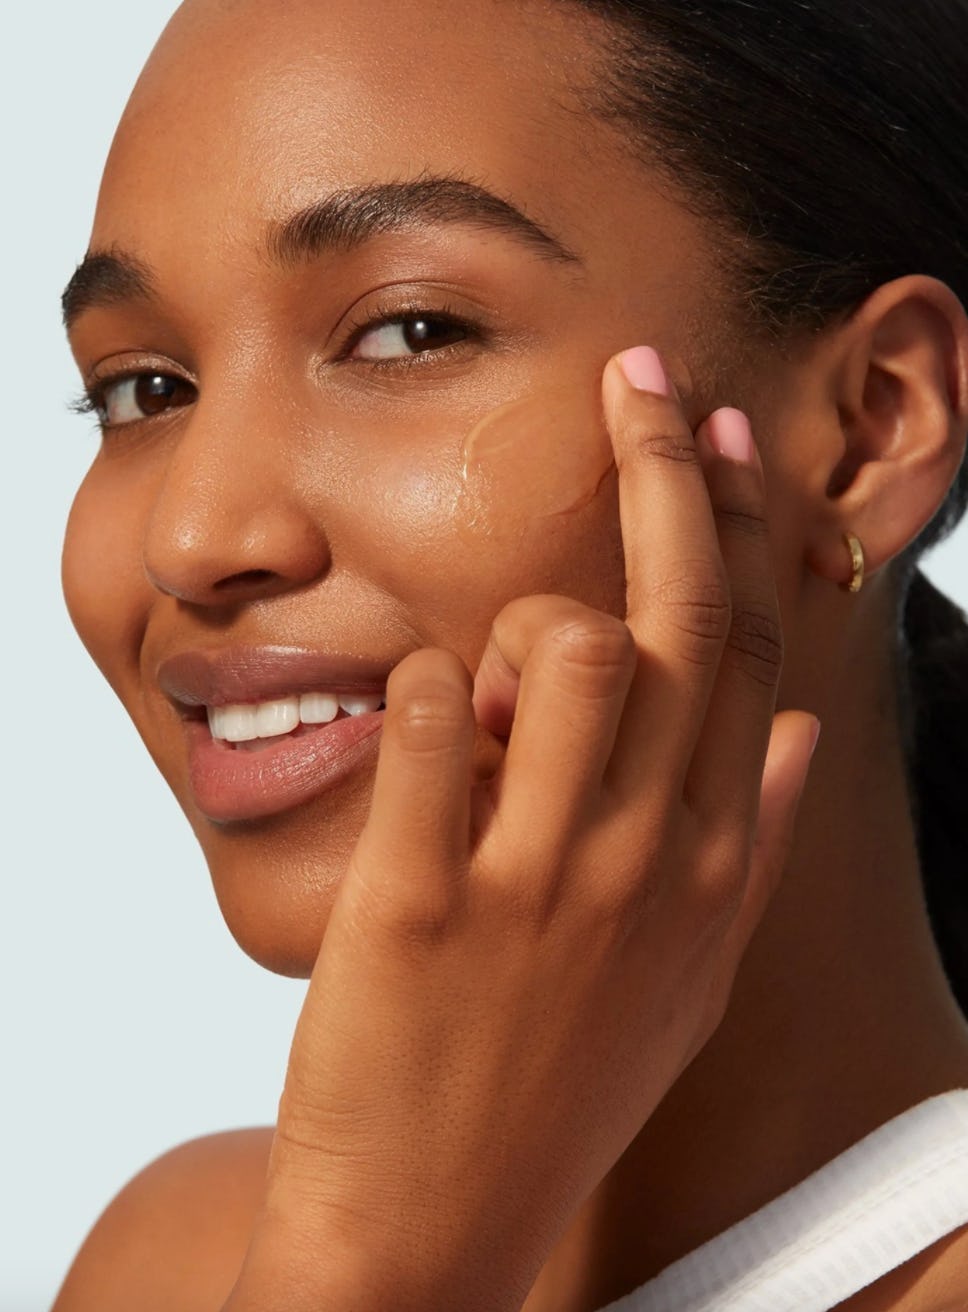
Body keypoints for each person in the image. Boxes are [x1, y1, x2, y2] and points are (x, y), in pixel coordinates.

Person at [51, 1, 968, 1308]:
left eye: (411, 331)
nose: (195, 536)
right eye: (142, 389)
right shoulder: (180, 1258)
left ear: (876, 421)